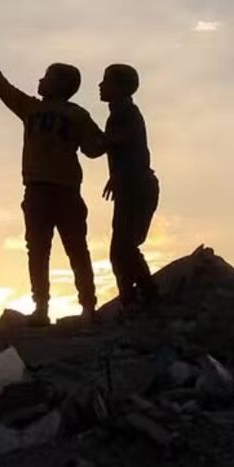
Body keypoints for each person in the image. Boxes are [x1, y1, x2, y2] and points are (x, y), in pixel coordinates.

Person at [0, 34, 105, 326]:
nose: (40, 81)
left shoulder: (58, 112)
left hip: (59, 191)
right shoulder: (41, 110)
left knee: (63, 249)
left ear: (61, 85)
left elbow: (94, 148)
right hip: (43, 190)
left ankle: (81, 306)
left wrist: (113, 138)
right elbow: (94, 149)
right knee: (51, 249)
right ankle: (52, 307)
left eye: (46, 77)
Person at [98, 63, 159, 309]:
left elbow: (123, 144)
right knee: (122, 249)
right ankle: (136, 299)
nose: (100, 86)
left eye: (106, 81)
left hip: (138, 188)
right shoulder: (118, 113)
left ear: (122, 88)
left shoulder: (126, 114)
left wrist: (94, 139)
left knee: (123, 249)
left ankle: (142, 298)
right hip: (130, 188)